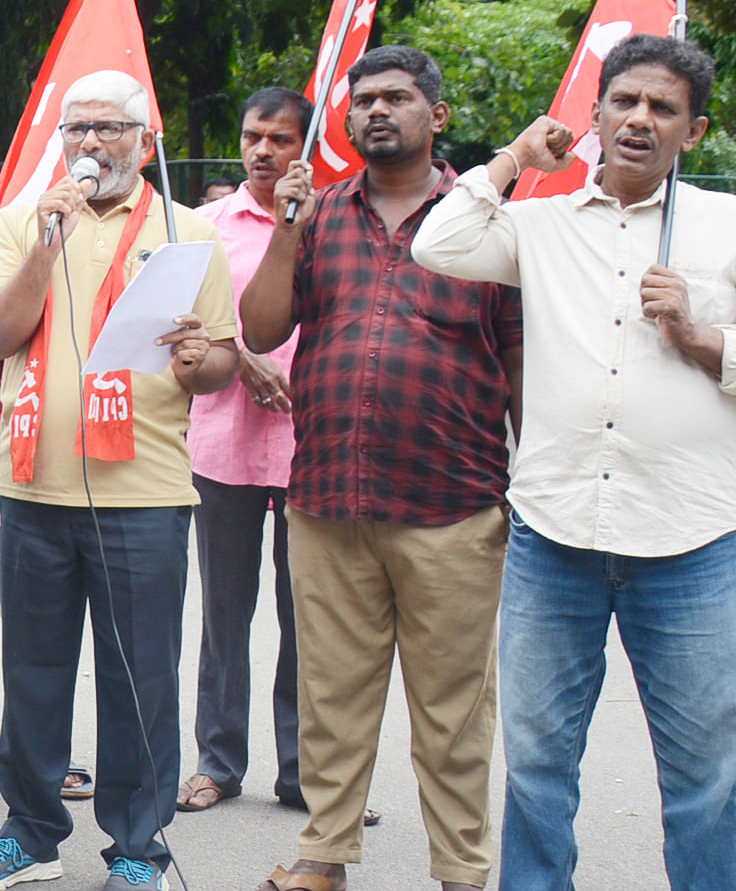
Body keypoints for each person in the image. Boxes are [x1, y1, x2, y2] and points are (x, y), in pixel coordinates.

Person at [415, 34, 735, 890]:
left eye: (663, 108)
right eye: (624, 101)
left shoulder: (726, 225)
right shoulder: (536, 225)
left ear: (694, 131)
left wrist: (703, 336)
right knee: (538, 769)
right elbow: (435, 246)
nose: (640, 119)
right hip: (555, 539)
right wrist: (516, 159)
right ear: (593, 115)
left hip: (693, 542)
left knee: (707, 778)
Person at [0, 69, 241, 891]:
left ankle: (140, 849)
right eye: (76, 130)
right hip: (31, 488)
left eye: (108, 129)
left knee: (139, 677)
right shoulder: (23, 220)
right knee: (32, 671)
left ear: (144, 142)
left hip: (143, 494)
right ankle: (30, 833)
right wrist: (47, 245)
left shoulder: (186, 232)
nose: (89, 145)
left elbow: (218, 357)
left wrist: (199, 359)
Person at [238, 46, 520, 891]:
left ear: (438, 118)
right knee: (333, 698)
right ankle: (323, 858)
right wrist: (286, 230)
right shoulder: (318, 215)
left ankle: (462, 871)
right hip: (328, 500)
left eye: (397, 98)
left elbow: (518, 356)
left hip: (453, 506)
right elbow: (258, 330)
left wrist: (531, 484)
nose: (376, 112)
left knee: (452, 714)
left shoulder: (485, 224)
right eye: (363, 101)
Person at [175, 88, 309, 820]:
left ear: (303, 146)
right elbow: (185, 318)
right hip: (222, 445)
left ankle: (304, 774)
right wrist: (247, 360)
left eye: (280, 139)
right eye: (253, 137)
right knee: (225, 616)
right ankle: (218, 763)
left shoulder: (327, 220)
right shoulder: (209, 226)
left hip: (308, 447)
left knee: (309, 620)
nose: (262, 151)